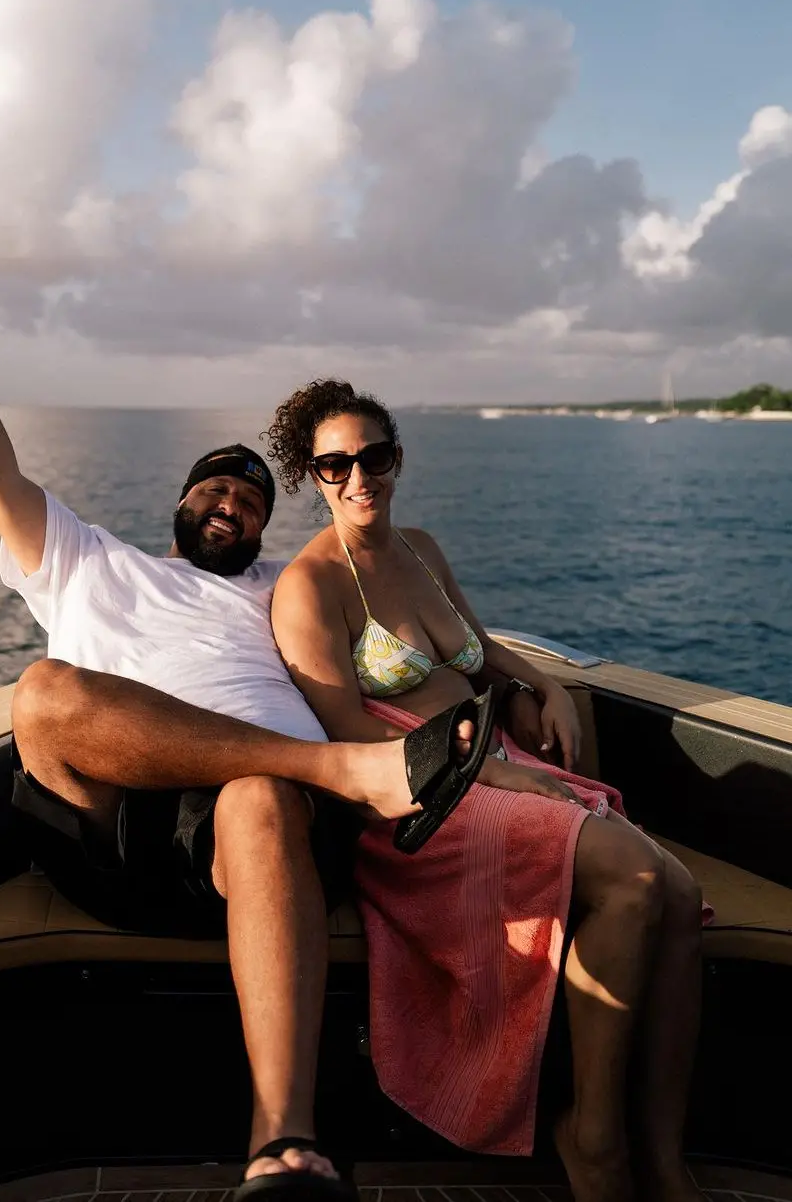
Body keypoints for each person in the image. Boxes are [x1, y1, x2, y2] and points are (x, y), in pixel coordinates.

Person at [0, 265, 498, 1200]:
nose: (233, 507)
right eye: (217, 491)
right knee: (43, 694)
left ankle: (284, 1148)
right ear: (182, 502)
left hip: (268, 833)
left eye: (251, 503)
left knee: (256, 798)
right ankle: (341, 770)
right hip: (118, 826)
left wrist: (510, 682)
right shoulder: (89, 558)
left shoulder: (281, 590)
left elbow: (393, 628)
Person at [265, 378, 708, 1202]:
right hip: (421, 802)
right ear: (311, 475)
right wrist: (503, 774)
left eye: (374, 456)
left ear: (396, 460)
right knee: (642, 879)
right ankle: (595, 1136)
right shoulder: (310, 587)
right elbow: (346, 733)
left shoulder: (422, 549)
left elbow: (478, 650)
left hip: (496, 762)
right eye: (335, 465)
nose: (358, 477)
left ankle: (664, 1151)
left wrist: (545, 681)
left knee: (680, 894)